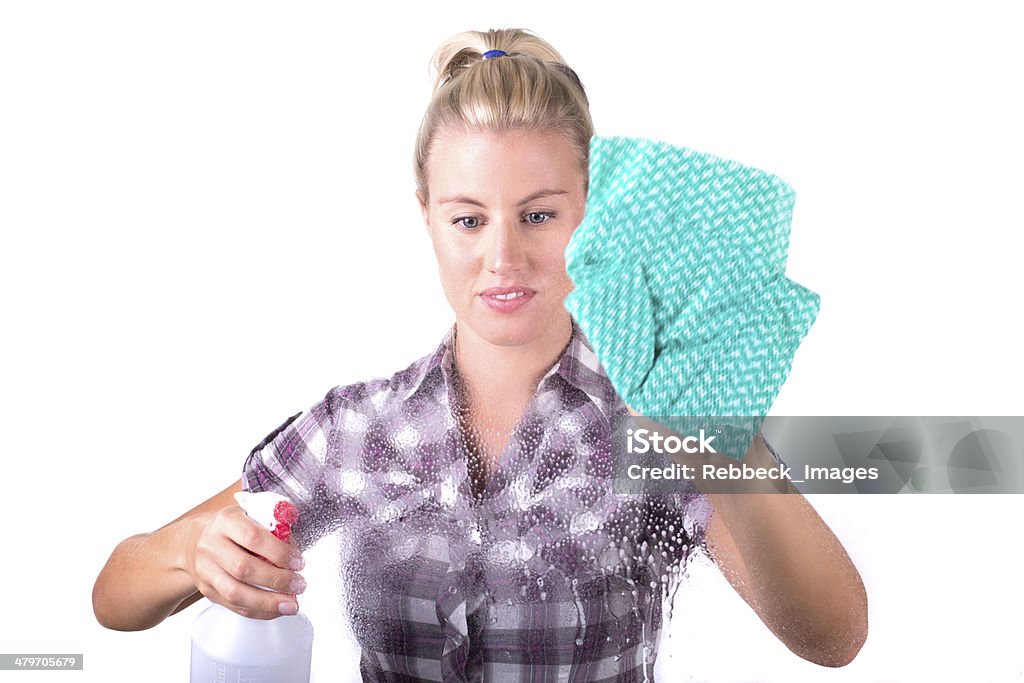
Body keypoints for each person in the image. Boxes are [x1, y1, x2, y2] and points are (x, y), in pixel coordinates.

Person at [93, 28, 868, 681]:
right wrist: (192, 552)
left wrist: (720, 436)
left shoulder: (651, 422)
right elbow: (115, 597)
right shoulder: (357, 429)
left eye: (538, 214)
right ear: (426, 217)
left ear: (590, 214)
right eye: (468, 220)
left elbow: (835, 637)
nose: (503, 256)